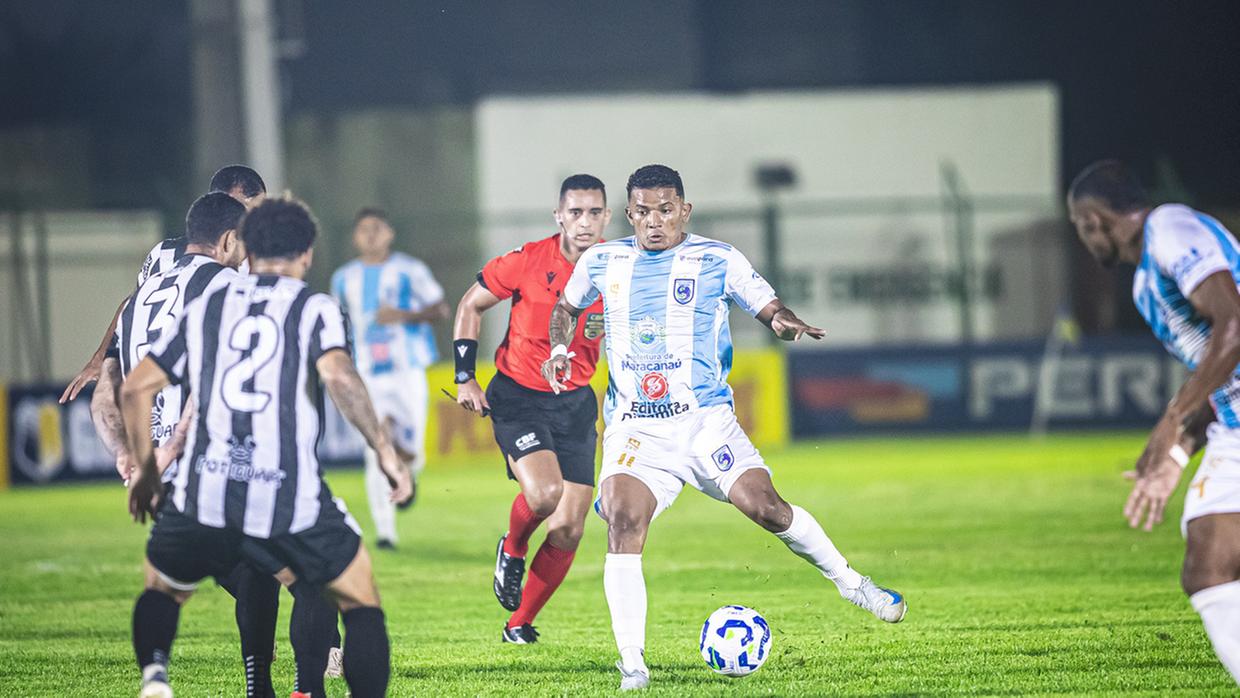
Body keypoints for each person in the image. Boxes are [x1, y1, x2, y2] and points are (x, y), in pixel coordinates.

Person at [544, 164, 906, 690]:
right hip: (635, 431)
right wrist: (559, 348)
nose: (653, 222)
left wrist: (786, 322)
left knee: (768, 509)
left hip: (705, 424)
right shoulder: (602, 260)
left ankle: (852, 583)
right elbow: (566, 308)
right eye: (643, 211)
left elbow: (768, 307)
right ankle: (633, 666)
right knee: (622, 523)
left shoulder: (716, 258)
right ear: (630, 214)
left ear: (683, 211)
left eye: (665, 210)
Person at [120, 196, 411, 698]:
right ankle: (312, 688)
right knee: (354, 595)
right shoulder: (315, 307)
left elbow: (133, 389)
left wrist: (147, 470)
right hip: (285, 489)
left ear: (247, 245)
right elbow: (340, 377)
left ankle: (155, 675)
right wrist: (384, 450)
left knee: (163, 585)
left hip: (205, 487)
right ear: (308, 254)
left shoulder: (208, 305)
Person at [1068, 159, 1240, 684]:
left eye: (1079, 226)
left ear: (1094, 221)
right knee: (1209, 565)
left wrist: (1170, 422)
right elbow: (1214, 374)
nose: (1083, 237)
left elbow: (1234, 325)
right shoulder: (1145, 283)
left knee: (1210, 564)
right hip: (1233, 427)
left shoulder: (1169, 227)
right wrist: (1176, 455)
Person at [453, 174, 611, 643]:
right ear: (559, 215)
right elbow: (470, 304)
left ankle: (518, 623)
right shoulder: (527, 261)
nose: (585, 222)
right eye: (576, 212)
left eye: (595, 212)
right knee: (545, 496)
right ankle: (514, 547)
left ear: (606, 216)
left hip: (577, 404)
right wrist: (465, 376)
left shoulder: (617, 268)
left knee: (568, 528)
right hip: (519, 396)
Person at [61, 165, 268, 404]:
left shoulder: (258, 263)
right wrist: (102, 357)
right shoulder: (165, 255)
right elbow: (132, 303)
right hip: (167, 389)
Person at [331, 208, 448, 548]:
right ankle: (385, 531)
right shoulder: (343, 278)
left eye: (376, 228)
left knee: (412, 451)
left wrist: (404, 315)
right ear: (355, 236)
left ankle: (407, 471)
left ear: (389, 233)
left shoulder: (410, 270)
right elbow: (338, 320)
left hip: (406, 368)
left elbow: (440, 309)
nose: (370, 235)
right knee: (375, 446)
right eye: (363, 229)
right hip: (366, 371)